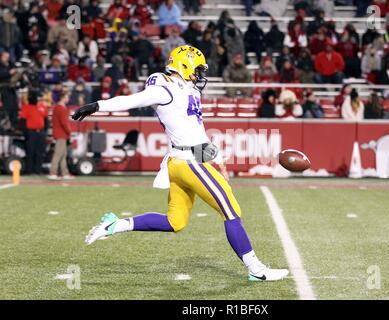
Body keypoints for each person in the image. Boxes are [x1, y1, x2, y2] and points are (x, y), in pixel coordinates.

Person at [72, 45, 289, 281]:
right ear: (183, 65)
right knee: (231, 210)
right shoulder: (165, 88)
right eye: (197, 69)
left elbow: (198, 132)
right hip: (188, 162)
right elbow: (132, 100)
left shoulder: (190, 90)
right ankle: (256, 270)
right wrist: (97, 106)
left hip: (185, 160)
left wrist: (217, 158)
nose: (200, 75)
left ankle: (116, 225)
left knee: (175, 222)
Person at [19, 91, 48, 175]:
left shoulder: (42, 106)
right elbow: (22, 122)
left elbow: (46, 120)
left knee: (40, 152)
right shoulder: (26, 107)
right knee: (30, 152)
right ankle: (30, 171)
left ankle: (38, 170)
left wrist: (44, 131)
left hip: (40, 132)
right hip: (31, 133)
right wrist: (26, 133)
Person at [48, 92, 73, 180]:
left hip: (60, 134)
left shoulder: (57, 107)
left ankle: (64, 173)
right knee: (58, 154)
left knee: (62, 154)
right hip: (61, 134)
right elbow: (64, 123)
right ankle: (53, 172)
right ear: (63, 97)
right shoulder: (61, 108)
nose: (68, 99)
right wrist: (69, 132)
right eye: (67, 97)